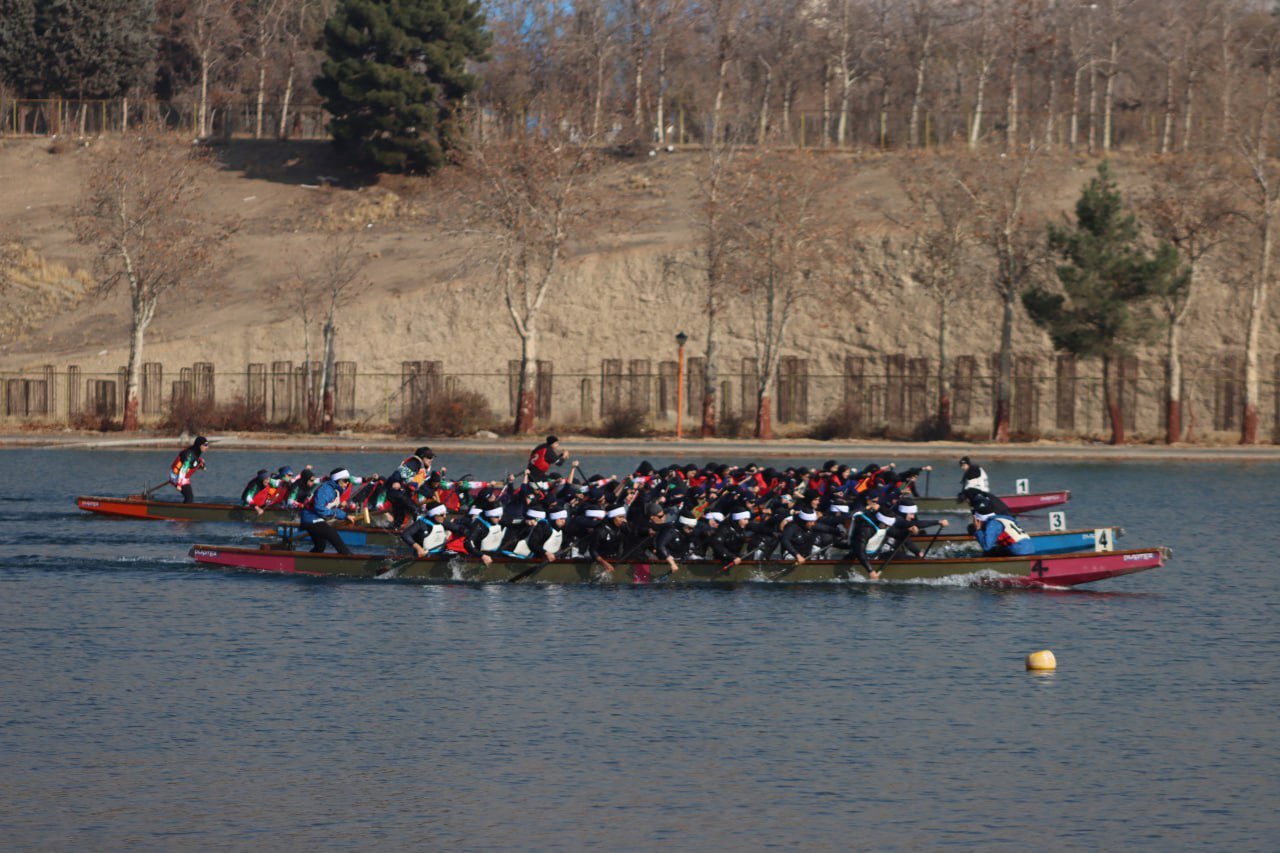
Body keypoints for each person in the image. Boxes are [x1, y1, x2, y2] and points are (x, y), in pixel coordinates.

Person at [299, 469, 353, 554]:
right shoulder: (327, 489)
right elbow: (319, 507)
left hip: (314, 518)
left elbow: (331, 509)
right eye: (345, 481)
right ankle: (349, 558)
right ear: (337, 480)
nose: (347, 484)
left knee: (320, 546)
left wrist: (345, 516)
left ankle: (307, 563)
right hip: (311, 518)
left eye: (348, 481)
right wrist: (335, 514)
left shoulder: (334, 490)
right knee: (333, 535)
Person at [169, 435, 209, 503]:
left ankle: (185, 510)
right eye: (205, 445)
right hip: (176, 476)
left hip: (183, 476)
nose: (207, 447)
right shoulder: (189, 455)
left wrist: (200, 465)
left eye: (207, 444)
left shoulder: (196, 452)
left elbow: (194, 463)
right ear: (199, 445)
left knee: (190, 497)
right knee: (189, 497)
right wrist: (179, 484)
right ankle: (182, 512)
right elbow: (183, 470)